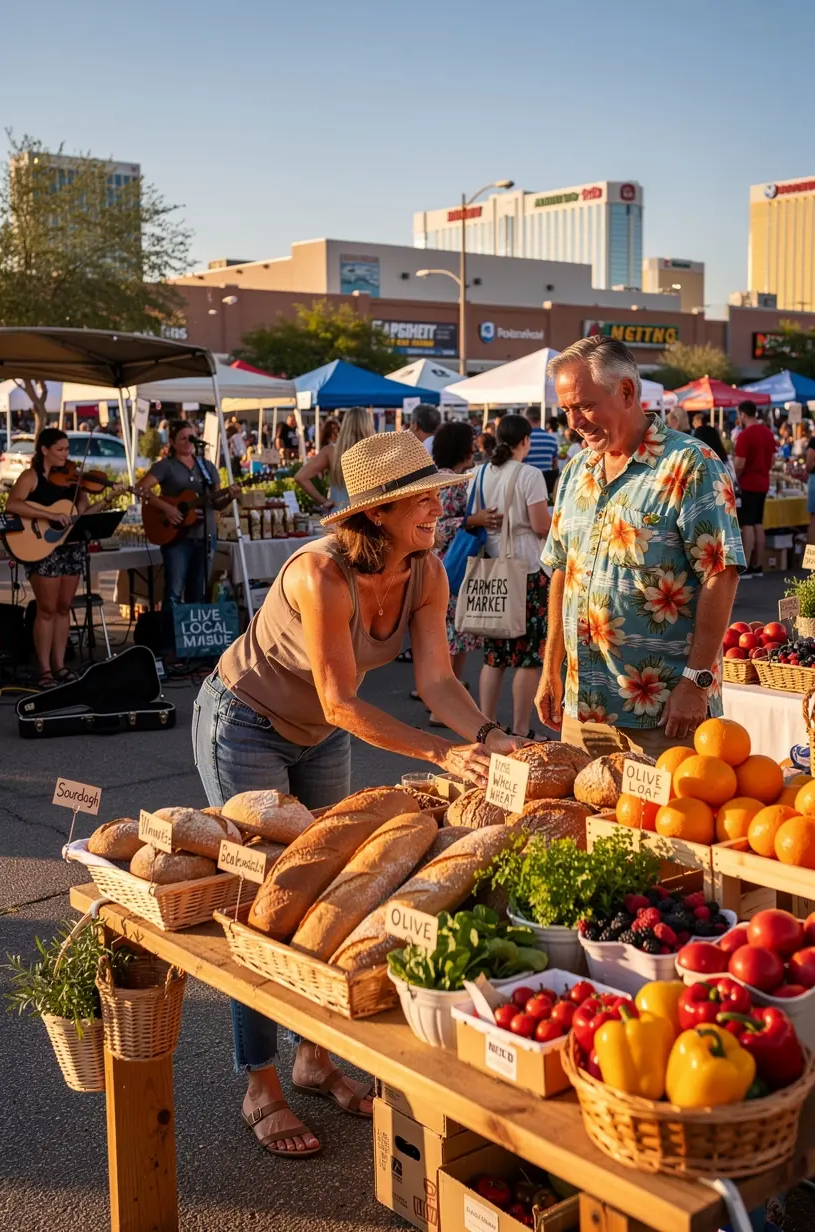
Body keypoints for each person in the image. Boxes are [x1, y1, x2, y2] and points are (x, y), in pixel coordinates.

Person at [193, 431, 525, 1157]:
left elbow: (439, 685)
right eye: (424, 497)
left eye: (439, 492)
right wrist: (444, 753)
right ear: (377, 513)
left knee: (335, 898)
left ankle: (314, 1058)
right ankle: (261, 1083)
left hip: (321, 730)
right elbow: (343, 699)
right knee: (264, 898)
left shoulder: (427, 570)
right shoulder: (321, 574)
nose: (440, 505)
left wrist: (490, 736)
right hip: (245, 720)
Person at [535, 335, 744, 759]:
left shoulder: (691, 464)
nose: (574, 421)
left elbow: (720, 574)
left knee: (666, 824)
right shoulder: (577, 469)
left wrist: (695, 681)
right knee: (591, 823)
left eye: (585, 405)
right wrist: (550, 668)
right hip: (583, 711)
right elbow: (562, 568)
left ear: (627, 391)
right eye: (567, 410)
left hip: (665, 713)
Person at [474, 414, 551, 739]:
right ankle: (520, 730)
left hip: (492, 568)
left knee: (495, 656)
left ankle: (485, 726)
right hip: (527, 570)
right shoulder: (530, 474)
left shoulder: (478, 473)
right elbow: (540, 526)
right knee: (528, 657)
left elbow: (474, 517)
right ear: (524, 441)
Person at [135, 421, 239, 653]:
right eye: (183, 438)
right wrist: (167, 508)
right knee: (173, 592)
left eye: (192, 437)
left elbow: (216, 503)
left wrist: (230, 496)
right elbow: (140, 488)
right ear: (172, 442)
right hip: (177, 538)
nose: (189, 442)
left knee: (198, 591)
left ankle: (194, 648)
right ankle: (171, 647)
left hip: (205, 536)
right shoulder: (166, 466)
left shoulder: (207, 467)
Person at [6, 428, 90, 688]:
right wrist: (49, 515)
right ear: (44, 450)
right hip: (41, 548)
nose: (66, 454)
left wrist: (84, 501)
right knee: (47, 609)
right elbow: (13, 504)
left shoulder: (72, 479)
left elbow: (82, 507)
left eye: (67, 449)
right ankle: (44, 669)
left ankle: (60, 665)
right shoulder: (31, 476)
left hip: (69, 548)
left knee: (64, 607)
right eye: (60, 449)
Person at [431, 421, 497, 718]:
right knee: (451, 637)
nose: (475, 446)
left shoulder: (443, 477)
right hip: (451, 566)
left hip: (444, 565)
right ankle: (443, 704)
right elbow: (436, 526)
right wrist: (472, 521)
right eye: (471, 441)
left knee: (453, 636)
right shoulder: (449, 481)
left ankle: (447, 696)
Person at [294, 408, 373, 512]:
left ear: (345, 425)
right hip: (367, 514)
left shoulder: (331, 451)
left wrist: (323, 501)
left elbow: (300, 477)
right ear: (368, 426)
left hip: (339, 513)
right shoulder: (374, 451)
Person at [734, 400, 776, 580]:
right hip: (763, 482)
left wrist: (736, 475)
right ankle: (758, 564)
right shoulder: (767, 433)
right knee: (759, 523)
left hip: (748, 483)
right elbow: (773, 460)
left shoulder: (745, 435)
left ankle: (747, 566)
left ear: (743, 415)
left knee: (748, 525)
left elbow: (739, 463)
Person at [524, 406, 559, 496]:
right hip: (546, 483)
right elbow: (555, 464)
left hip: (528, 482)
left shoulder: (524, 439)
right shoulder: (551, 439)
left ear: (526, 419)